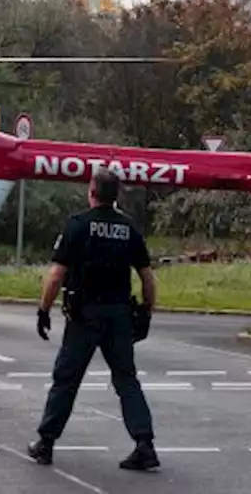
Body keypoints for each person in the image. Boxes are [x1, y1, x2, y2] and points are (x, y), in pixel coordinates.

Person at [28, 168, 159, 472]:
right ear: (115, 196)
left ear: (91, 192)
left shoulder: (78, 226)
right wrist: (147, 311)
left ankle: (46, 443)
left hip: (85, 315)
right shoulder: (130, 229)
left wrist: (43, 310)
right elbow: (148, 279)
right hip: (119, 316)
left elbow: (56, 276)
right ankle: (144, 445)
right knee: (126, 380)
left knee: (66, 380)